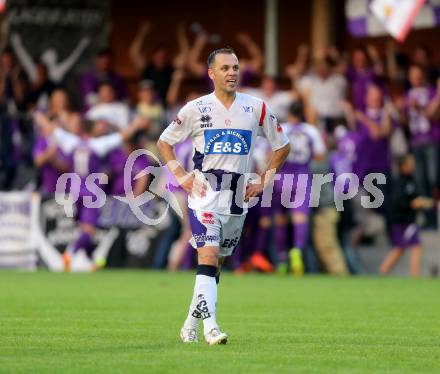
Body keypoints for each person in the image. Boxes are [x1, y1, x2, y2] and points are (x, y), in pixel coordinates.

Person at [157, 48, 290, 345]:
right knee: (207, 255)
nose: (232, 72)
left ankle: (190, 324)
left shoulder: (257, 107)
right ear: (211, 73)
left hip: (237, 201)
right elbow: (165, 142)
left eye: (235, 67)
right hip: (204, 196)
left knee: (216, 265)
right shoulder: (195, 108)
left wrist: (264, 180)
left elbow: (282, 146)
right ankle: (211, 328)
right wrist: (181, 176)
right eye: (225, 68)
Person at [379, 154, 433, 277]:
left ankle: (383, 272)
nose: (413, 166)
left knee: (402, 248)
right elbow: (398, 202)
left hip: (409, 221)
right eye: (410, 163)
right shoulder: (399, 182)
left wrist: (423, 202)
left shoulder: (411, 180)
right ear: (403, 166)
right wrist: (413, 203)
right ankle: (414, 276)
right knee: (411, 247)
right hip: (401, 221)